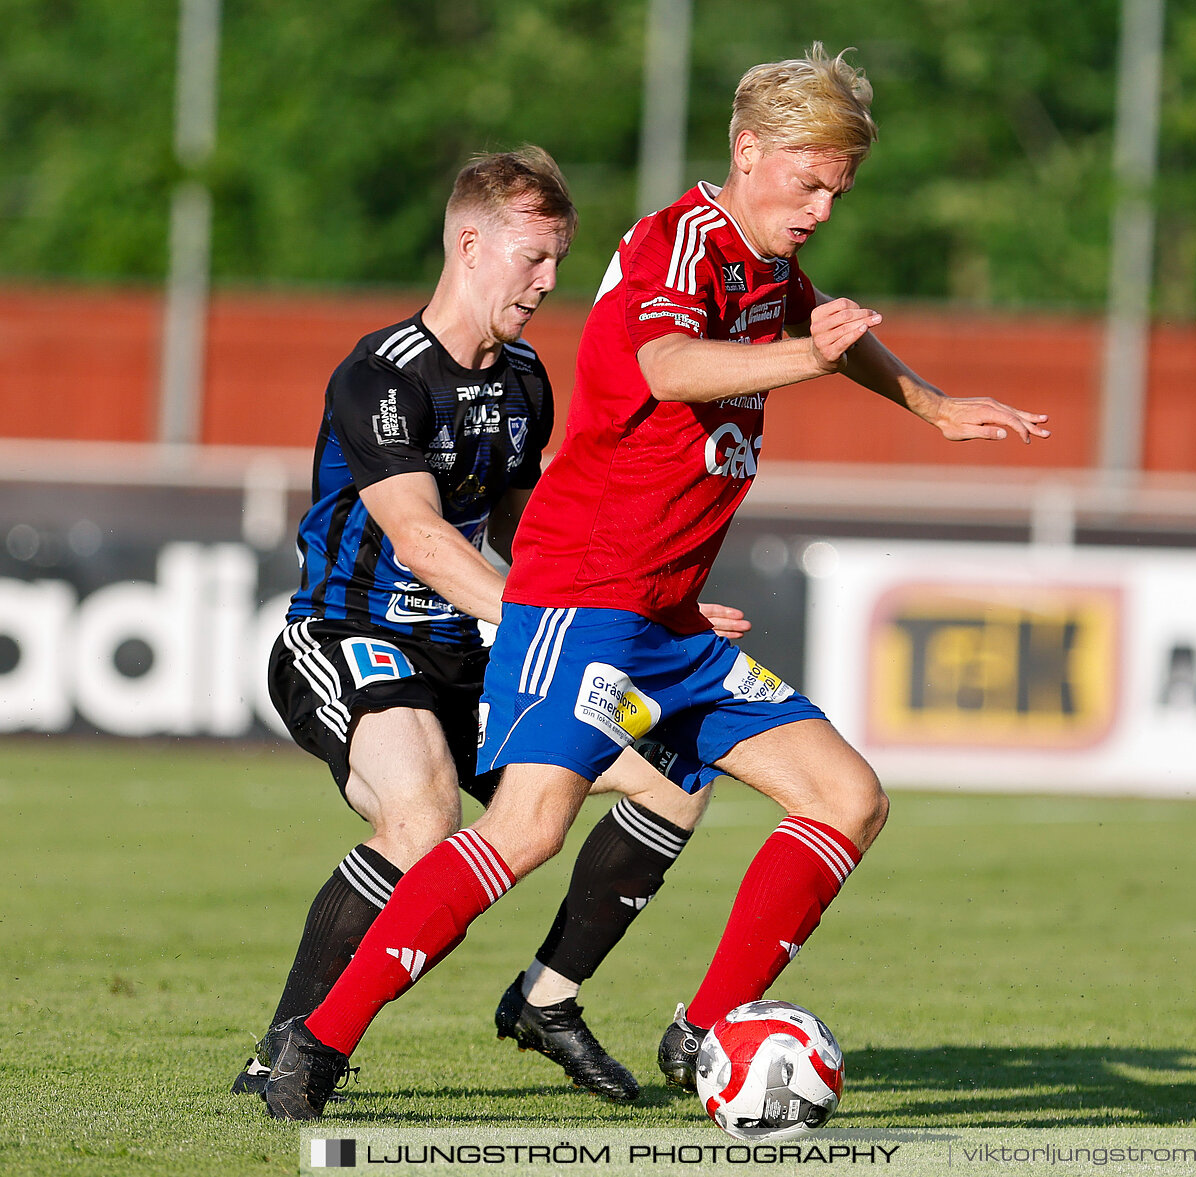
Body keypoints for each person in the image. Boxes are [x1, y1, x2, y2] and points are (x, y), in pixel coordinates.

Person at [263, 45, 1049, 1121]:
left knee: (847, 796)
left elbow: (830, 330)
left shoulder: (765, 262)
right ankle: (315, 1044)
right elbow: (662, 367)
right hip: (581, 603)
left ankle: (705, 1029)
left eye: (838, 191)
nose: (820, 208)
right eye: (807, 182)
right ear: (748, 150)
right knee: (523, 829)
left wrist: (934, 404)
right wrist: (810, 361)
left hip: (665, 622)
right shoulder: (679, 244)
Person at [244, 145, 740, 1106]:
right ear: (471, 244)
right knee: (422, 812)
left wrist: (651, 607)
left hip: (477, 647)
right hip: (350, 635)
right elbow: (423, 539)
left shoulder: (523, 378)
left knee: (674, 776)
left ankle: (548, 998)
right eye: (536, 258)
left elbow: (534, 539)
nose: (551, 282)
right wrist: (537, 621)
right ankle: (290, 1049)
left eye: (560, 260)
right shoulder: (379, 376)